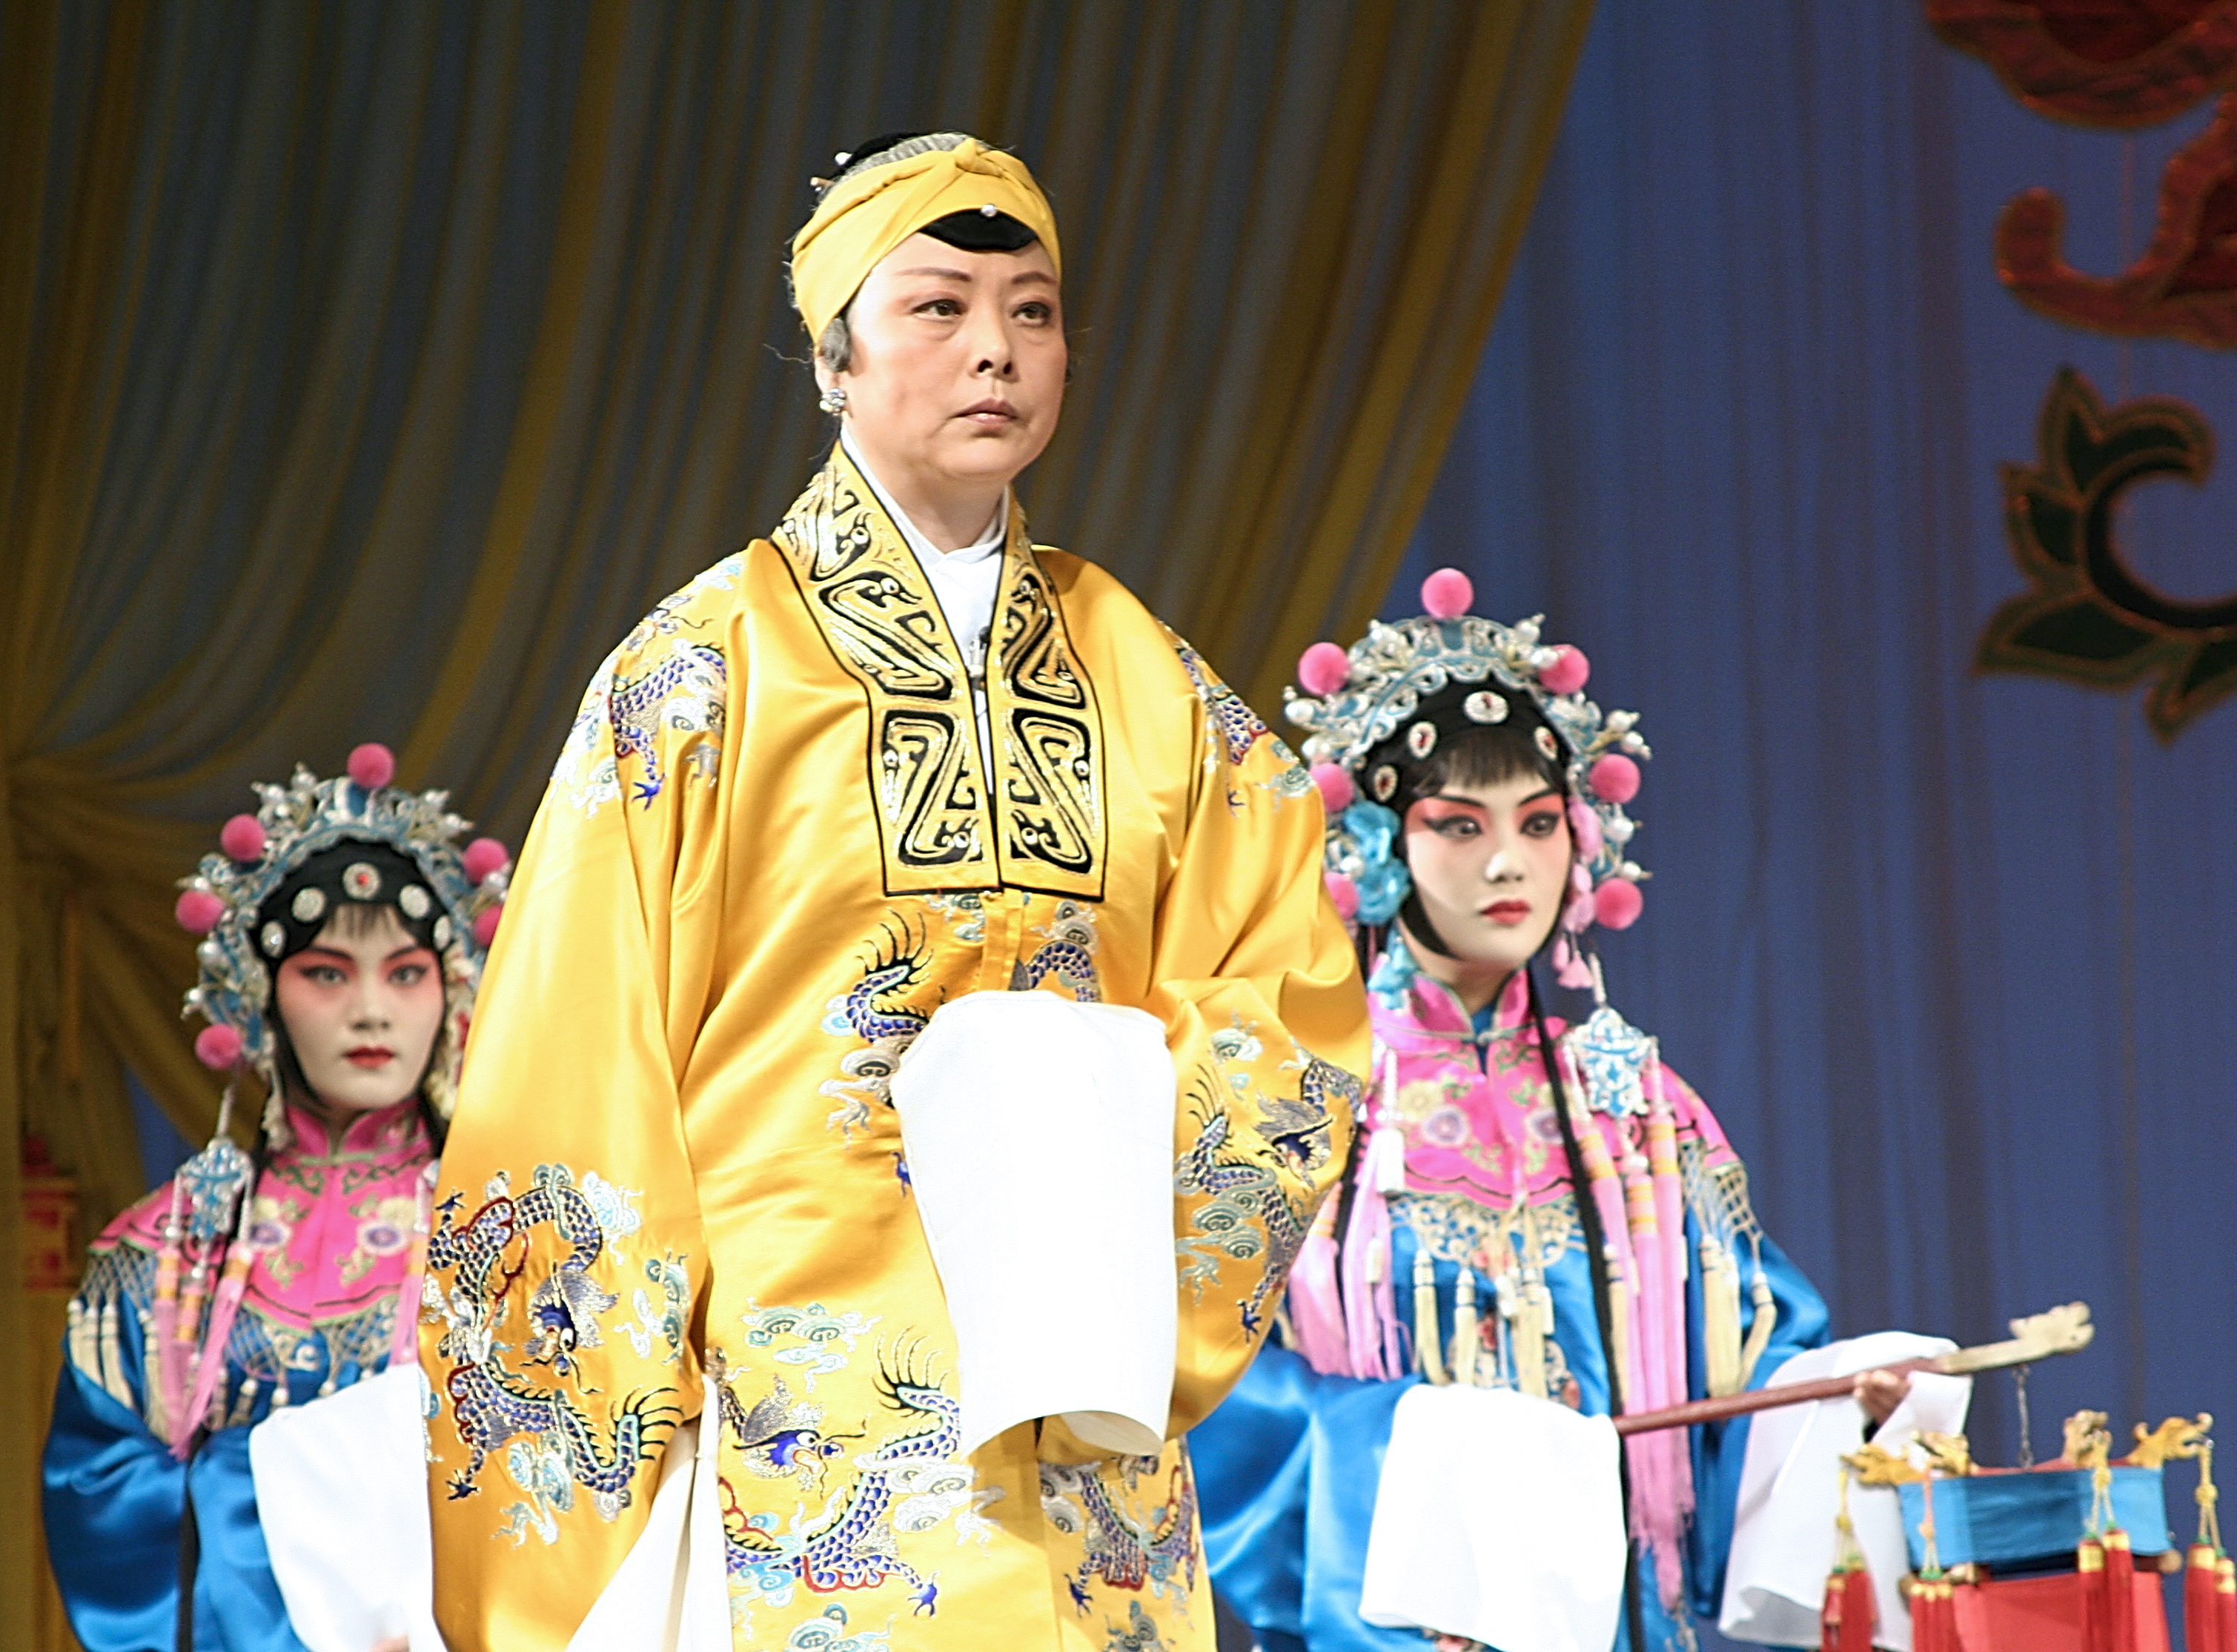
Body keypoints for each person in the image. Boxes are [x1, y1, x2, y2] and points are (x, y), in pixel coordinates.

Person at [419, 132, 1368, 1652]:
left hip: (1084, 1436)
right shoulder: (700, 673)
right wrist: (611, 1442)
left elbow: (1286, 992)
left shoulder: (1144, 674)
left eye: (1032, 310)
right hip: (805, 1427)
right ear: (832, 358)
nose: (995, 347)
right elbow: (569, 1086)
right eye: (938, 306)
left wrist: (1131, 1273)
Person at [1188, 574, 1928, 1652]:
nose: (1507, 863)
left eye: (1538, 823)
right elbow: (1216, 1390)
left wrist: (1838, 1401)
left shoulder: (1637, 1110)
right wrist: (1427, 1458)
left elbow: (1735, 1372)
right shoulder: (1294, 1101)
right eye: (1457, 825)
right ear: (1376, 843)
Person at [44, 743, 508, 1652]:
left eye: (404, 972)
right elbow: (99, 1492)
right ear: (258, 994)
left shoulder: (507, 1237)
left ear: (451, 991)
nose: (370, 1010)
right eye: (327, 973)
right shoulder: (164, 1250)